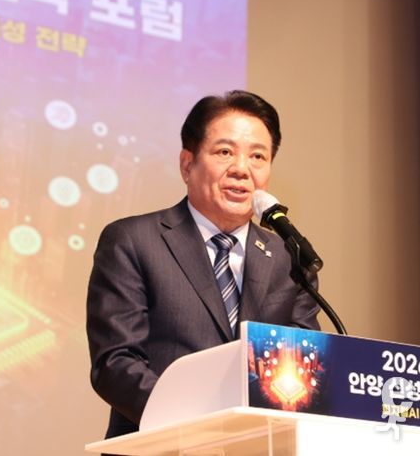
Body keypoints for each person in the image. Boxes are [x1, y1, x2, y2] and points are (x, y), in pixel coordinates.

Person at [86, 90, 321, 438]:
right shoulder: (133, 240)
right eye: (225, 152)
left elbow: (303, 366)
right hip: (161, 444)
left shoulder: (289, 258)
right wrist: (201, 426)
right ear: (187, 164)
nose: (241, 169)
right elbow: (116, 363)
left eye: (258, 156)